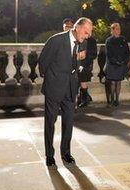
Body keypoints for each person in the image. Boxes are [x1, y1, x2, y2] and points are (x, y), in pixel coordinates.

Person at [39, 17, 93, 167]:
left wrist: (79, 64)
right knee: (50, 122)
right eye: (86, 32)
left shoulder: (84, 43)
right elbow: (43, 63)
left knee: (68, 123)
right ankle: (49, 154)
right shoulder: (56, 40)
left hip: (71, 89)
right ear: (77, 27)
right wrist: (52, 79)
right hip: (54, 88)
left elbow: (79, 63)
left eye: (89, 34)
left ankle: (66, 153)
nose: (87, 36)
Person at [104, 22, 130, 107]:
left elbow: (127, 52)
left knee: (118, 82)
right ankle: (111, 99)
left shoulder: (123, 39)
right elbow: (108, 53)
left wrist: (124, 61)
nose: (118, 30)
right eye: (116, 28)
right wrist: (115, 61)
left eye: (119, 28)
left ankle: (117, 100)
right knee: (112, 82)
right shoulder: (109, 40)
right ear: (112, 30)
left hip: (121, 63)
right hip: (112, 64)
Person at [77, 36, 97, 108]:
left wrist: (85, 61)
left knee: (83, 81)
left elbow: (94, 55)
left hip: (87, 64)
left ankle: (84, 100)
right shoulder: (78, 38)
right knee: (77, 82)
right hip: (77, 63)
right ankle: (83, 98)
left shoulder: (92, 40)